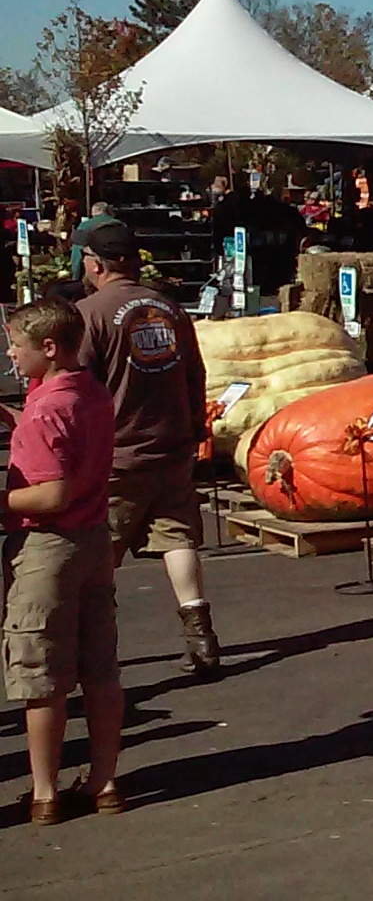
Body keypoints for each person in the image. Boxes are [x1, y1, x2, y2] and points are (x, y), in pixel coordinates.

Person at [75, 224, 217, 676]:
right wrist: (195, 428)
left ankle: (94, 649)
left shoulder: (88, 313)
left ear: (96, 264)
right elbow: (196, 373)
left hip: (117, 454)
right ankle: (201, 635)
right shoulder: (169, 307)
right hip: (171, 447)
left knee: (100, 553)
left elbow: (76, 389)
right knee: (178, 538)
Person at [3, 300, 124, 823]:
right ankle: (104, 780)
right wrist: (14, 419)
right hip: (94, 538)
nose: (10, 353)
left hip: (48, 546)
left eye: (16, 345)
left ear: (48, 348)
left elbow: (50, 493)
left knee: (42, 674)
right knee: (100, 667)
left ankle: (45, 791)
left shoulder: (46, 410)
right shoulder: (88, 391)